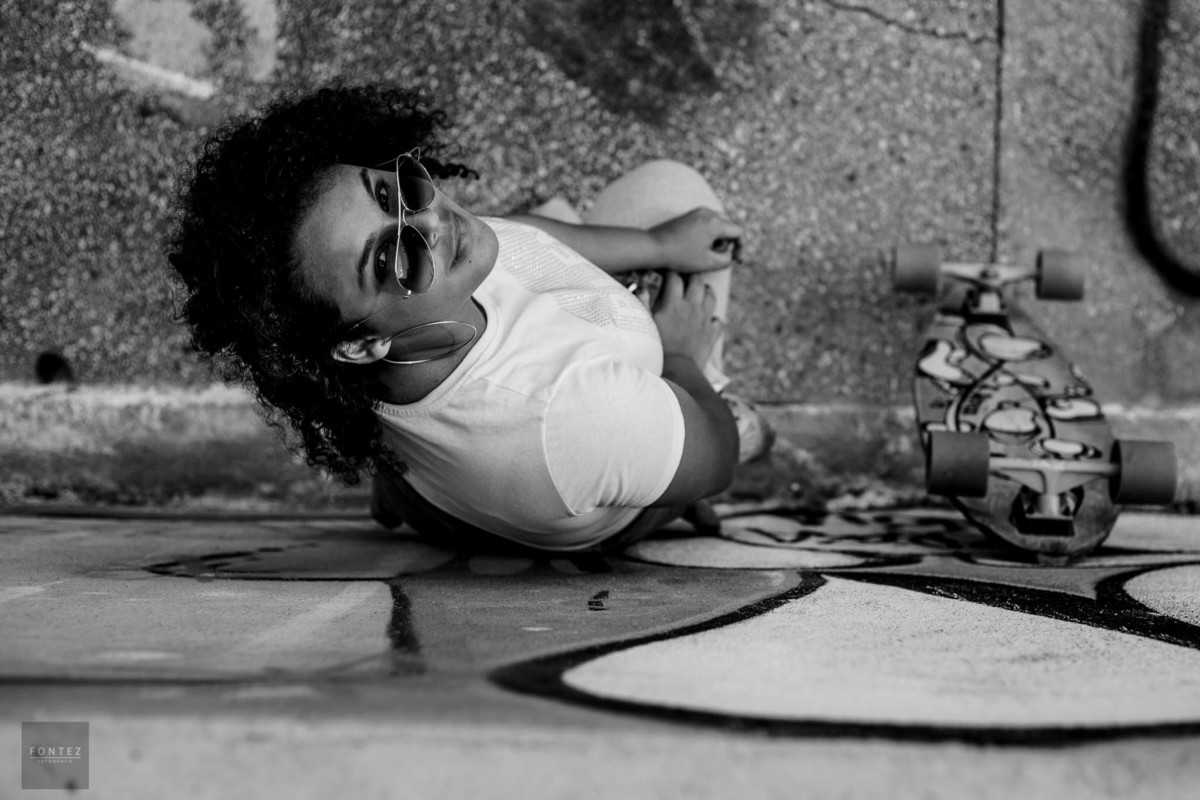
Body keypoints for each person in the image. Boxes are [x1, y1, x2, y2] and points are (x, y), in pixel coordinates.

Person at [166, 84, 772, 554]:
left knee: (626, 221)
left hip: (444, 492)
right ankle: (663, 467)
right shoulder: (569, 413)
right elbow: (715, 460)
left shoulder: (401, 325)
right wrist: (683, 353)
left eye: (392, 193)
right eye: (390, 257)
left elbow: (524, 236)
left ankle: (407, 494)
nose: (432, 221)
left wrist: (659, 244)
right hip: (596, 489)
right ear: (359, 345)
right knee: (747, 432)